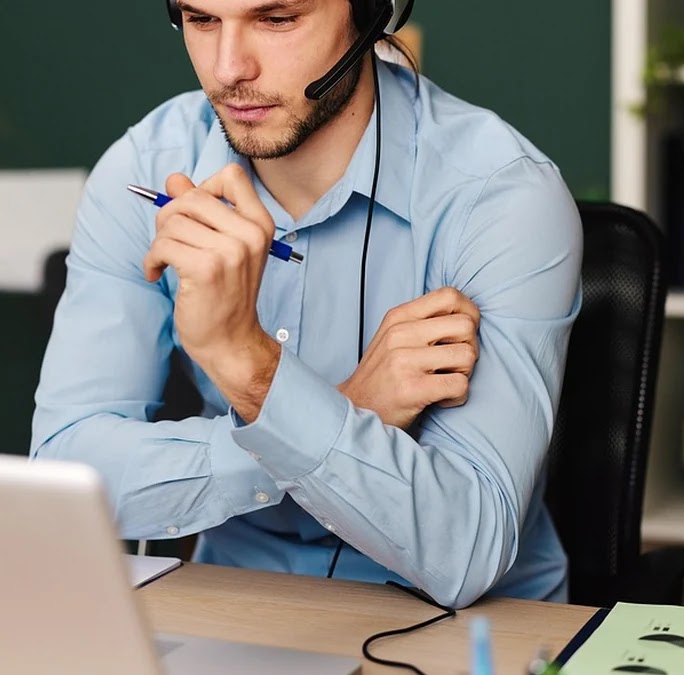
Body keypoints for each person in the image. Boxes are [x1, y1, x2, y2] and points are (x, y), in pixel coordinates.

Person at [31, 0, 583, 610]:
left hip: (461, 628)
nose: (228, 68)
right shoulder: (148, 169)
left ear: (372, 14)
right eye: (202, 20)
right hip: (237, 605)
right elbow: (67, 474)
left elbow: (467, 549)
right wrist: (343, 409)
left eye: (276, 19)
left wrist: (249, 367)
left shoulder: (498, 196)